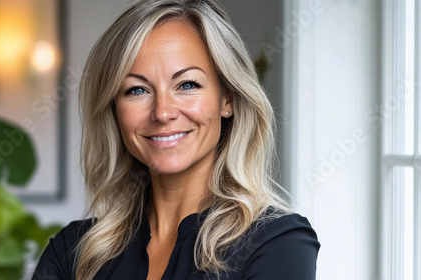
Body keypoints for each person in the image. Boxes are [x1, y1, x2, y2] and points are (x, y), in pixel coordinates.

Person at [33, 0, 320, 279]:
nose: (162, 112)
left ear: (227, 98)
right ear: (114, 109)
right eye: (136, 90)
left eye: (187, 84)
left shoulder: (277, 244)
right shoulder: (71, 252)